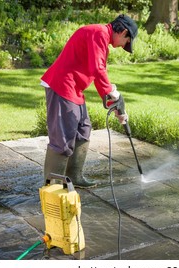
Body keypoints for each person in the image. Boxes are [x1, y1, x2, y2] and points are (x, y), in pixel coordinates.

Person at [40, 14, 138, 187]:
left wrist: (113, 103)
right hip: (62, 85)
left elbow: (97, 73)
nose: (124, 45)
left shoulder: (101, 38)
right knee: (63, 137)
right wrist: (112, 92)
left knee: (83, 128)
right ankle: (52, 186)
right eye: (126, 41)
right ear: (122, 31)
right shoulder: (98, 33)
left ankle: (74, 177)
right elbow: (98, 69)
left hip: (74, 89)